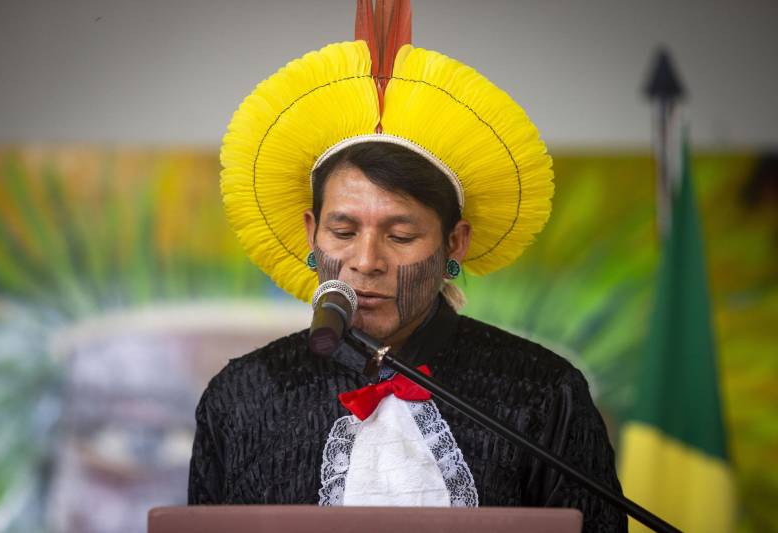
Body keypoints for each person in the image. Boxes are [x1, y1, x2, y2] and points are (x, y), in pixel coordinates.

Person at [189, 2, 627, 531]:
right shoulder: (243, 394)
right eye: (343, 232)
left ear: (454, 244)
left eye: (400, 235)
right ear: (311, 233)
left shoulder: (542, 391)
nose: (366, 262)